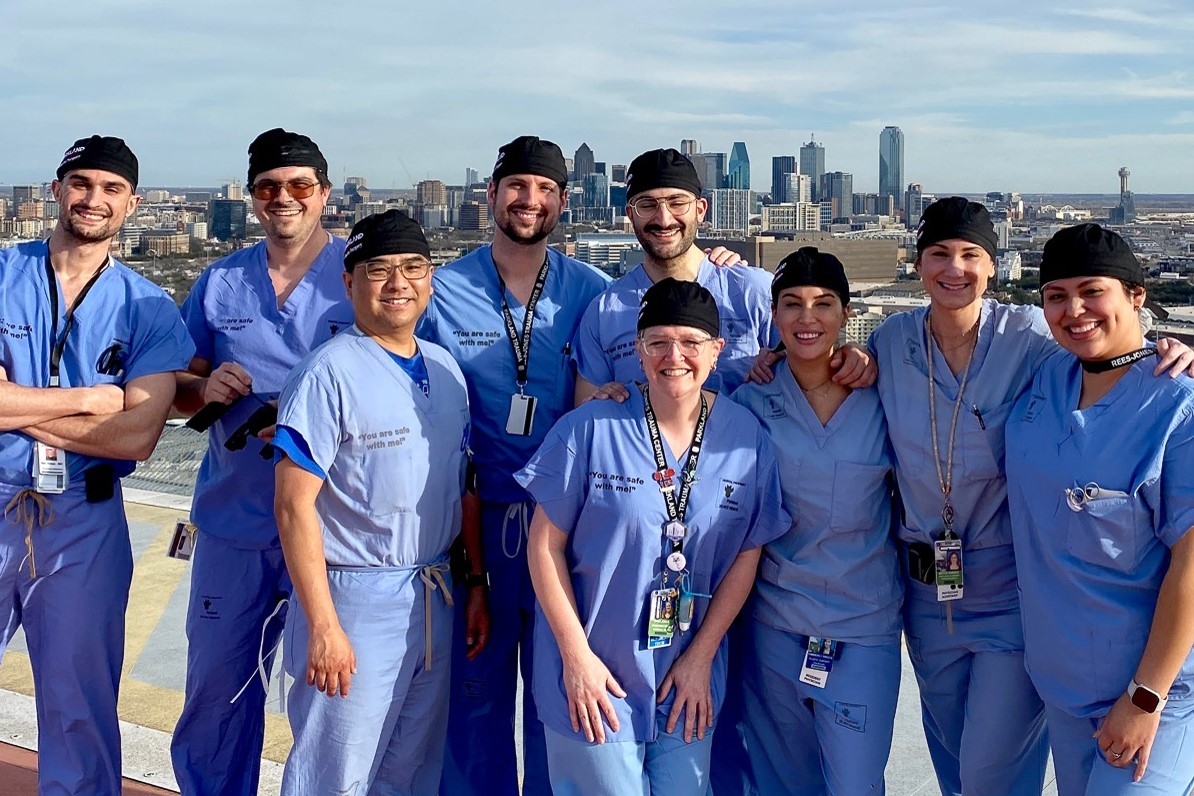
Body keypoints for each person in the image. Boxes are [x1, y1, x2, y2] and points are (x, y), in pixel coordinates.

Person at [867, 197, 1194, 795]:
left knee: (991, 771)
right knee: (955, 766)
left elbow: (1121, 357)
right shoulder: (892, 342)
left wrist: (1173, 347)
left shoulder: (1037, 346)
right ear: (915, 263)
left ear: (995, 266)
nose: (954, 268)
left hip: (1019, 604)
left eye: (971, 254)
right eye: (939, 253)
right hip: (935, 598)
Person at [521, 278, 790, 795]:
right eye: (658, 342)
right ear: (639, 351)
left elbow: (747, 554)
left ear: (717, 351)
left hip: (687, 673)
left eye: (691, 343)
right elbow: (543, 546)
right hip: (596, 672)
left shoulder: (745, 437)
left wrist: (701, 657)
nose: (675, 356)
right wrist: (575, 658)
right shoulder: (589, 429)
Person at [0, 135, 194, 795]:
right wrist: (88, 400)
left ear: (132, 203)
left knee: (79, 707)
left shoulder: (147, 306)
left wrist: (13, 405)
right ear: (55, 190)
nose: (94, 198)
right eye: (81, 183)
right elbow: (112, 415)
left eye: (112, 189)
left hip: (84, 518)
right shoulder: (3, 274)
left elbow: (138, 434)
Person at [170, 128, 355, 796]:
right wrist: (205, 387)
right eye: (269, 187)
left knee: (330, 704)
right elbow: (173, 389)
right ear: (252, 198)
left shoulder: (361, 277)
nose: (285, 197)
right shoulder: (221, 282)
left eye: (300, 185)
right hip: (233, 526)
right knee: (217, 690)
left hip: (335, 531)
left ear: (324, 194)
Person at [273, 210, 476, 794]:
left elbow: (461, 483)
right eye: (378, 270)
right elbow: (293, 507)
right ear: (349, 281)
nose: (397, 283)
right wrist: (323, 625)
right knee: (335, 770)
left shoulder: (444, 368)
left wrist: (475, 584)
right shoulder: (328, 372)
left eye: (413, 268)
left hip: (432, 590)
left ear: (430, 279)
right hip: (355, 599)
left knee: (410, 768)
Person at [1006, 223, 1194, 795]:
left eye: (1093, 291)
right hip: (1063, 685)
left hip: (1157, 695)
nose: (1074, 310)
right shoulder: (1045, 380)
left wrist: (1144, 697)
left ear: (1136, 296)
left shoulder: (1177, 408)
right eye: (1057, 296)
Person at [729, 247, 902, 794]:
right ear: (774, 316)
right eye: (792, 305)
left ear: (846, 315)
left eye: (824, 304)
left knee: (855, 781)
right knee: (782, 779)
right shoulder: (751, 397)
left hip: (863, 625)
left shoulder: (882, 397)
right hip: (774, 624)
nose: (808, 319)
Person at [572, 148, 777, 402]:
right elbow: (584, 414)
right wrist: (601, 403)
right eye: (647, 205)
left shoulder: (752, 291)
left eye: (677, 203)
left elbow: (813, 368)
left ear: (701, 210)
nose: (664, 218)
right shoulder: (603, 312)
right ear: (630, 214)